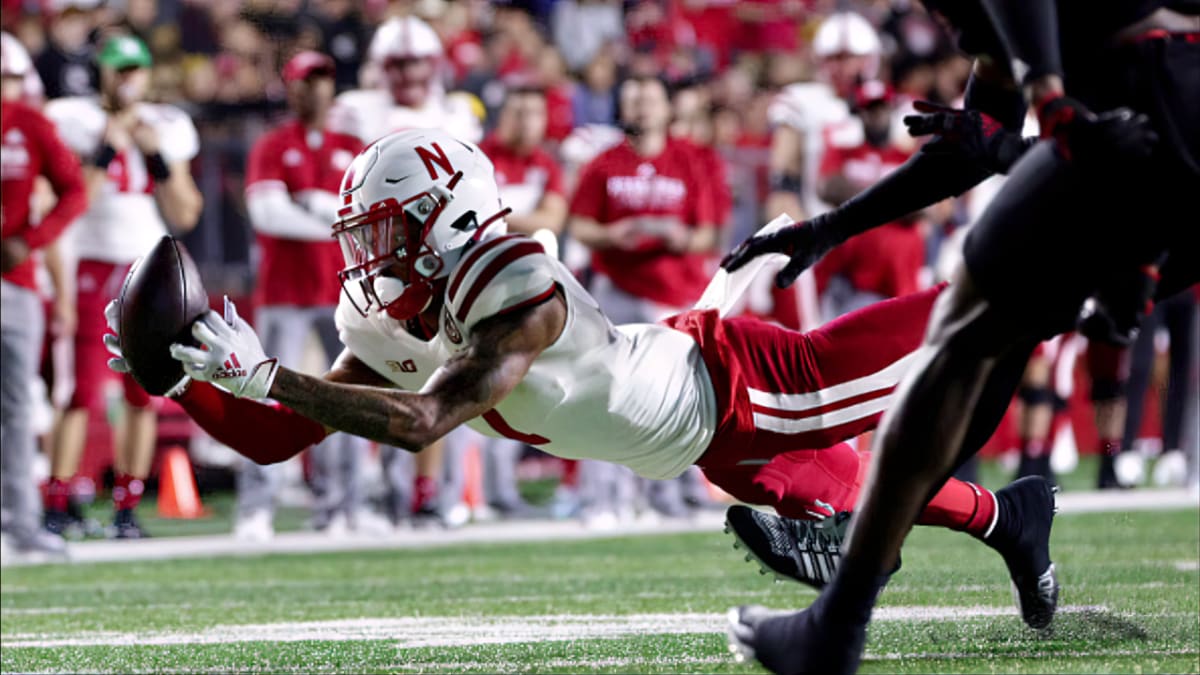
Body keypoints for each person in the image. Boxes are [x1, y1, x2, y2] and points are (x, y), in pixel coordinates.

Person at [104, 129, 1048, 598]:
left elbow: (423, 420)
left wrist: (266, 371)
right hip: (700, 428)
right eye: (365, 234)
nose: (369, 255)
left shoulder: (516, 283)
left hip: (755, 385)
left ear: (451, 219)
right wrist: (185, 377)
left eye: (386, 232)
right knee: (874, 481)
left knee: (1001, 300)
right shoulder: (400, 310)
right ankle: (1016, 521)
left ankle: (1111, 215)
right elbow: (277, 440)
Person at [722, 2, 1198, 672]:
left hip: (1166, 110)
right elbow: (968, 148)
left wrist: (1037, 121)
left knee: (969, 329)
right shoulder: (1024, 41)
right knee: (991, 327)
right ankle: (941, 539)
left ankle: (848, 595)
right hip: (1154, 121)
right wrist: (828, 228)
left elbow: (1044, 138)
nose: (946, 24)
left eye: (945, 4)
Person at [43, 34, 202, 539]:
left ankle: (127, 508)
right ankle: (58, 501)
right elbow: (74, 204)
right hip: (92, 263)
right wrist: (108, 147)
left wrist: (157, 158)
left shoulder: (169, 126)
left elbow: (186, 212)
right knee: (80, 393)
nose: (128, 78)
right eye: (118, 69)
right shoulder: (75, 119)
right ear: (101, 73)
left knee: (145, 392)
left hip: (147, 267)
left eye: (135, 68)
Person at [327, 14, 482, 525]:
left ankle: (424, 492)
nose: (410, 73)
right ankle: (354, 497)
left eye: (417, 62)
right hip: (373, 263)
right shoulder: (356, 110)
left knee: (438, 378)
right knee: (360, 378)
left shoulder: (458, 113)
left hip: (436, 266)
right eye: (399, 63)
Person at [567, 75, 724, 523]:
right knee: (603, 394)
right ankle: (604, 499)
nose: (641, 110)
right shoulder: (603, 164)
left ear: (666, 109)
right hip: (616, 290)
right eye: (633, 100)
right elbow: (579, 226)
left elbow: (710, 234)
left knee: (676, 397)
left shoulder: (693, 161)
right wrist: (612, 234)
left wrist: (678, 237)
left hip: (675, 294)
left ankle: (677, 495)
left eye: (649, 100)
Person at [237, 51, 369, 540]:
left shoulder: (353, 146)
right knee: (266, 396)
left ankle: (345, 506)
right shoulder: (273, 145)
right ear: (289, 88)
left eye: (322, 80)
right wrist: (333, 222)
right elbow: (267, 214)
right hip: (286, 290)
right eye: (305, 81)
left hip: (344, 292)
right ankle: (257, 506)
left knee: (352, 398)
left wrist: (312, 211)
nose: (315, 90)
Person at [1, 32, 88, 557]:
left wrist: (29, 240)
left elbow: (74, 190)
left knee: (16, 409)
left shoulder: (29, 124)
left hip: (16, 283)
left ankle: (22, 525)